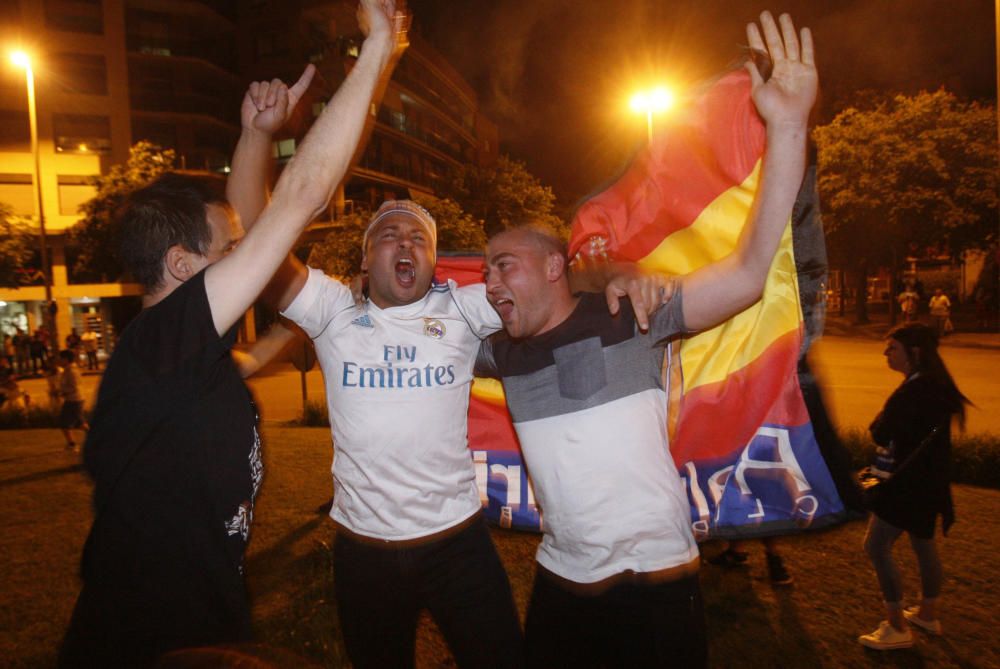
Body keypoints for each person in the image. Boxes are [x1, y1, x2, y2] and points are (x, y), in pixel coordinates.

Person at [226, 60, 664, 669]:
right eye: (389, 235)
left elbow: (550, 284)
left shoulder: (463, 307)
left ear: (433, 262)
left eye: (418, 239)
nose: (405, 244)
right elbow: (258, 231)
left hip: (458, 544)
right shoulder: (329, 308)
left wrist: (617, 270)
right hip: (365, 552)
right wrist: (256, 134)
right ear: (364, 260)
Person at [58, 3, 405, 666]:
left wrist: (254, 135)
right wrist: (379, 47)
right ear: (181, 266)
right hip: (147, 644)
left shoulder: (185, 358)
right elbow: (301, 196)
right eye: (234, 250)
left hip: (209, 625)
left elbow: (243, 363)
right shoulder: (160, 344)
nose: (254, 260)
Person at [476, 12, 816, 667]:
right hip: (558, 586)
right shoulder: (501, 351)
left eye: (503, 264)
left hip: (656, 584)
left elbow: (747, 273)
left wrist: (788, 124)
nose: (489, 282)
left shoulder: (628, 313)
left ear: (554, 266)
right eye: (486, 269)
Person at [857, 323, 969, 650]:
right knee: (923, 543)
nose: (885, 354)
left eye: (892, 348)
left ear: (914, 352)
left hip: (905, 486)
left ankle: (896, 627)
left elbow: (879, 431)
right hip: (930, 484)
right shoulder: (938, 386)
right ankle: (927, 613)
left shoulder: (914, 390)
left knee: (875, 546)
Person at [57, 349, 89, 450]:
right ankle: (71, 444)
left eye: (61, 359)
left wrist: (62, 392)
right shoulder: (68, 370)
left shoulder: (72, 371)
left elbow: (75, 387)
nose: (59, 361)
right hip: (72, 399)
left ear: (66, 359)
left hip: (74, 400)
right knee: (77, 423)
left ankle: (73, 444)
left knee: (71, 423)